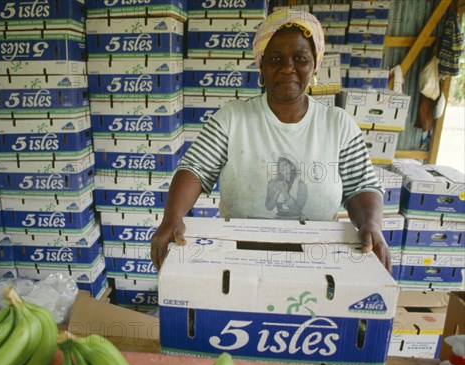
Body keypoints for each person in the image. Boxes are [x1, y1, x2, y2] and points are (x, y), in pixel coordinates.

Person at [150, 9, 391, 272]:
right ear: (261, 66)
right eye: (276, 58)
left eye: (300, 58)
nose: (288, 67)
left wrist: (371, 224)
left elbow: (361, 186)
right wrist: (172, 216)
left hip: (317, 258)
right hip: (238, 256)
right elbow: (194, 170)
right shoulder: (233, 118)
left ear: (315, 65)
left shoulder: (338, 124)